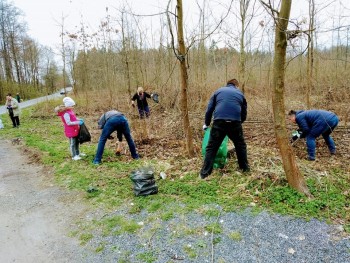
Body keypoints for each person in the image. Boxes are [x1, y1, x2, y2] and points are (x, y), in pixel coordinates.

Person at [200, 79, 250, 179]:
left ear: (227, 84)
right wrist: (239, 123)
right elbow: (244, 113)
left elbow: (209, 109)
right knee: (240, 146)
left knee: (211, 147)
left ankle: (205, 174)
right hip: (235, 122)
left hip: (219, 122)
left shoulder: (218, 91)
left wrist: (206, 123)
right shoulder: (240, 94)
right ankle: (245, 169)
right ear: (236, 86)